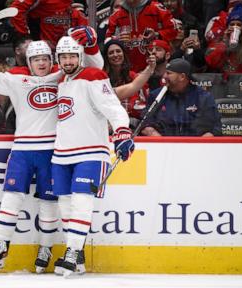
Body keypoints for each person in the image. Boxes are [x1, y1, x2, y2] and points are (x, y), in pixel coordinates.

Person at [0, 26, 104, 273]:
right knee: (11, 196)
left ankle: (46, 248)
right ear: (27, 61)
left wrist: (93, 45)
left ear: (52, 60)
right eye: (36, 59)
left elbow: (95, 68)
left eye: (45, 58)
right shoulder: (17, 80)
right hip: (22, 148)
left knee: (50, 202)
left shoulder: (62, 78)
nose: (41, 63)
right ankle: (2, 242)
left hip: (53, 151)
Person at [51, 35, 135, 277]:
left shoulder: (93, 76)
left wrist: (122, 131)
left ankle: (71, 251)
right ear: (58, 58)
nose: (68, 61)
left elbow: (113, 106)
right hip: (61, 154)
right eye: (63, 56)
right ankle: (78, 257)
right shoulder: (60, 81)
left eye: (72, 56)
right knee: (65, 206)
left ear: (80, 57)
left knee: (81, 201)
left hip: (91, 151)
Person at [140, 58, 222, 136]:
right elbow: (144, 123)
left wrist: (198, 146)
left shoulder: (203, 97)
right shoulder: (156, 96)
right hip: (163, 146)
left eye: (169, 73)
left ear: (182, 77)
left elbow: (214, 128)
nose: (164, 76)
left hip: (195, 147)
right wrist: (160, 141)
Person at [105, 0, 177, 72]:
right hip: (127, 70)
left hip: (156, 68)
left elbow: (174, 30)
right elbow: (107, 40)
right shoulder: (116, 15)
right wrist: (116, 40)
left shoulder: (156, 8)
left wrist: (157, 34)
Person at [103, 38, 153, 129]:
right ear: (106, 58)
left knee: (149, 130)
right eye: (111, 53)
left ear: (124, 54)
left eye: (118, 51)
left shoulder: (134, 77)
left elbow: (142, 105)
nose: (115, 55)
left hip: (132, 121)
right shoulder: (101, 79)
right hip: (108, 123)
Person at [9, 0, 89, 49]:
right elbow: (15, 10)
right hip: (39, 48)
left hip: (64, 48)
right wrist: (28, 38)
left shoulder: (75, 8)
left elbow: (82, 24)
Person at [205, 3, 242, 75]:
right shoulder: (219, 40)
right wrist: (224, 42)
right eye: (232, 24)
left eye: (239, 25)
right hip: (222, 82)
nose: (235, 27)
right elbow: (211, 62)